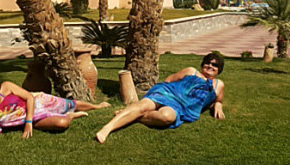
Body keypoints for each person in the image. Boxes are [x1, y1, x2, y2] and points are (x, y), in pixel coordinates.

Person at [0, 69, 110, 149]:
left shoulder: (6, 87)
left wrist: (28, 123)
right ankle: (72, 116)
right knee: (62, 123)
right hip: (30, 119)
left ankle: (96, 106)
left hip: (36, 104)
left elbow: (28, 97)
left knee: (70, 104)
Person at [95, 53, 225, 144]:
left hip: (179, 107)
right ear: (202, 64)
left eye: (215, 65)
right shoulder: (191, 71)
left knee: (167, 117)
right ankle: (107, 128)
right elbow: (169, 80)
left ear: (219, 70)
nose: (210, 66)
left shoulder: (218, 85)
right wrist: (158, 93)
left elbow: (217, 100)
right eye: (207, 63)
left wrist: (218, 105)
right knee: (144, 106)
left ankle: (133, 116)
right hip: (167, 92)